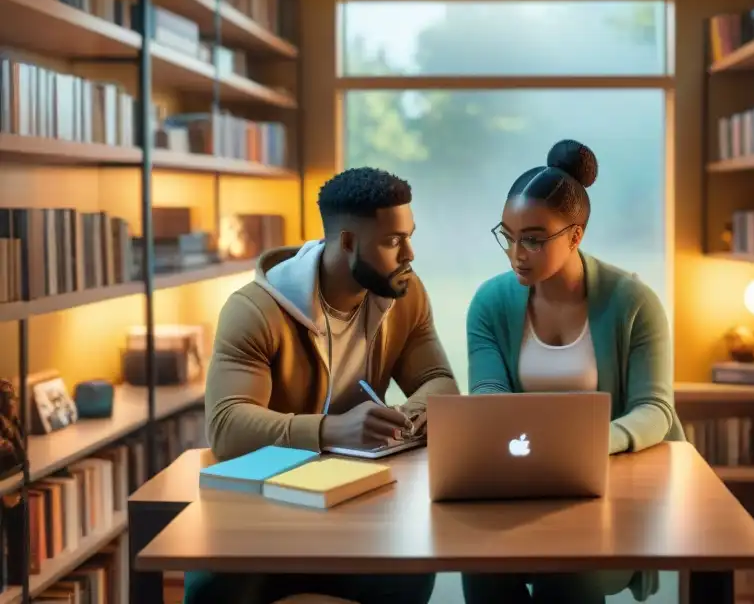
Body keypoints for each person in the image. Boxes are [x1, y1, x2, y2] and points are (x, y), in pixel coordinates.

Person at [185, 166, 459, 604]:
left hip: (362, 504)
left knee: (410, 575)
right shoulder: (255, 309)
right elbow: (227, 425)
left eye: (409, 236)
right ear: (347, 242)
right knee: (214, 592)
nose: (409, 253)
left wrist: (401, 419)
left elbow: (439, 382)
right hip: (264, 514)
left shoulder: (405, 295)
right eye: (392, 241)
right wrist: (334, 429)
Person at [461, 139, 684, 604]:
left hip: (610, 492)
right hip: (521, 488)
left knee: (567, 576)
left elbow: (655, 408)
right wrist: (526, 449)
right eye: (509, 235)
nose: (517, 253)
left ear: (576, 236)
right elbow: (486, 389)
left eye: (535, 239)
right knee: (481, 567)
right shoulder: (489, 302)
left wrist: (592, 445)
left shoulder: (633, 302)